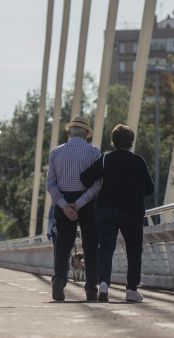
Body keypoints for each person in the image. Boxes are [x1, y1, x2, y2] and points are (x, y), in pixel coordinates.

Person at [81, 124, 154, 303]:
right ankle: (131, 289)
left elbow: (86, 178)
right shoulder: (139, 161)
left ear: (113, 142)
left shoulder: (106, 159)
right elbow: (149, 189)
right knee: (134, 250)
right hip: (132, 212)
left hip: (106, 211)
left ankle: (104, 284)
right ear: (131, 141)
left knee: (105, 249)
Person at [45, 114, 101, 302]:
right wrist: (79, 203)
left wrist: (64, 205)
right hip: (86, 202)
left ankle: (59, 281)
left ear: (69, 131)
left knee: (63, 246)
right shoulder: (94, 152)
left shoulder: (56, 152)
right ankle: (91, 288)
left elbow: (50, 184)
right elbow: (97, 184)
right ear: (86, 133)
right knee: (90, 246)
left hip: (63, 202)